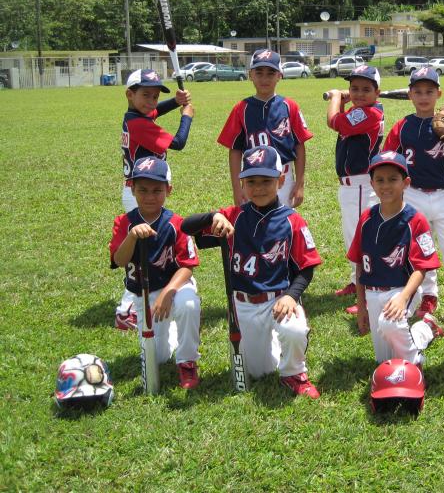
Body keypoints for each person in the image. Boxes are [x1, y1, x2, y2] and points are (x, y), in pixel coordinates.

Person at [181, 145, 322, 398]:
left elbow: (307, 267)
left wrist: (292, 296)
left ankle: (294, 373)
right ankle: (271, 348)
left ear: (280, 181)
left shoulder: (292, 220)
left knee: (294, 329)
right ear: (242, 184)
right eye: (251, 182)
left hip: (278, 300)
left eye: (266, 181)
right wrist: (213, 217)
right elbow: (185, 227)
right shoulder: (233, 216)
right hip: (242, 304)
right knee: (260, 371)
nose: (258, 188)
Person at [383, 66, 444, 319]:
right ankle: (428, 295)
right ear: (410, 95)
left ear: (439, 94)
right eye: (418, 91)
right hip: (413, 194)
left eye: (429, 91)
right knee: (419, 248)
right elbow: (388, 159)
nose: (424, 96)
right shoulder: (403, 126)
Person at [109, 156, 201, 389]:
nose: (150, 196)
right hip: (144, 293)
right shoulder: (124, 222)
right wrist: (132, 236)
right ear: (132, 189)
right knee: (159, 358)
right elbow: (119, 260)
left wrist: (169, 292)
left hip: (175, 286)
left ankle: (187, 361)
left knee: (188, 304)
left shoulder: (176, 223)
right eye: (143, 190)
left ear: (168, 190)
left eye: (157, 190)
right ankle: (172, 331)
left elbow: (187, 265)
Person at [348, 151, 444, 366]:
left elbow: (421, 268)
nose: (386, 185)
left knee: (390, 325)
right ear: (372, 184)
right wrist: (362, 306)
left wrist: (403, 298)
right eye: (380, 180)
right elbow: (359, 264)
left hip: (402, 289)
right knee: (385, 360)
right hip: (373, 292)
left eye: (393, 179)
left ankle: (415, 362)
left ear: (406, 183)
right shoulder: (367, 218)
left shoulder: (415, 219)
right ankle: (426, 328)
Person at [116, 69, 194, 331]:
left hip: (140, 190)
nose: (151, 101)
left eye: (155, 96)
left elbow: (153, 112)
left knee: (145, 250)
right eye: (145, 95)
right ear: (130, 94)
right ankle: (126, 310)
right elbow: (178, 142)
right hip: (141, 194)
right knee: (143, 254)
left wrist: (174, 101)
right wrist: (186, 116)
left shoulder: (133, 117)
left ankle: (132, 305)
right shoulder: (139, 125)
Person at [218, 49, 312, 208]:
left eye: (270, 73)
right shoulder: (241, 109)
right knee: (253, 220)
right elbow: (235, 150)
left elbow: (299, 145)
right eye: (259, 73)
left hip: (283, 177)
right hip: (252, 178)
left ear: (279, 75)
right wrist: (236, 187)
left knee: (281, 220)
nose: (264, 78)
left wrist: (300, 184)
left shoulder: (289, 106)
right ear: (250, 75)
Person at [326, 65, 384, 307]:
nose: (359, 94)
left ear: (377, 93)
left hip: (361, 185)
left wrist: (335, 98)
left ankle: (370, 289)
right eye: (354, 88)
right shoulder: (360, 111)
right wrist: (343, 102)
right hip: (351, 186)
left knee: (362, 239)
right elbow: (343, 122)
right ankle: (357, 280)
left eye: (366, 89)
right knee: (352, 236)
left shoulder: (371, 113)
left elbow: (334, 122)